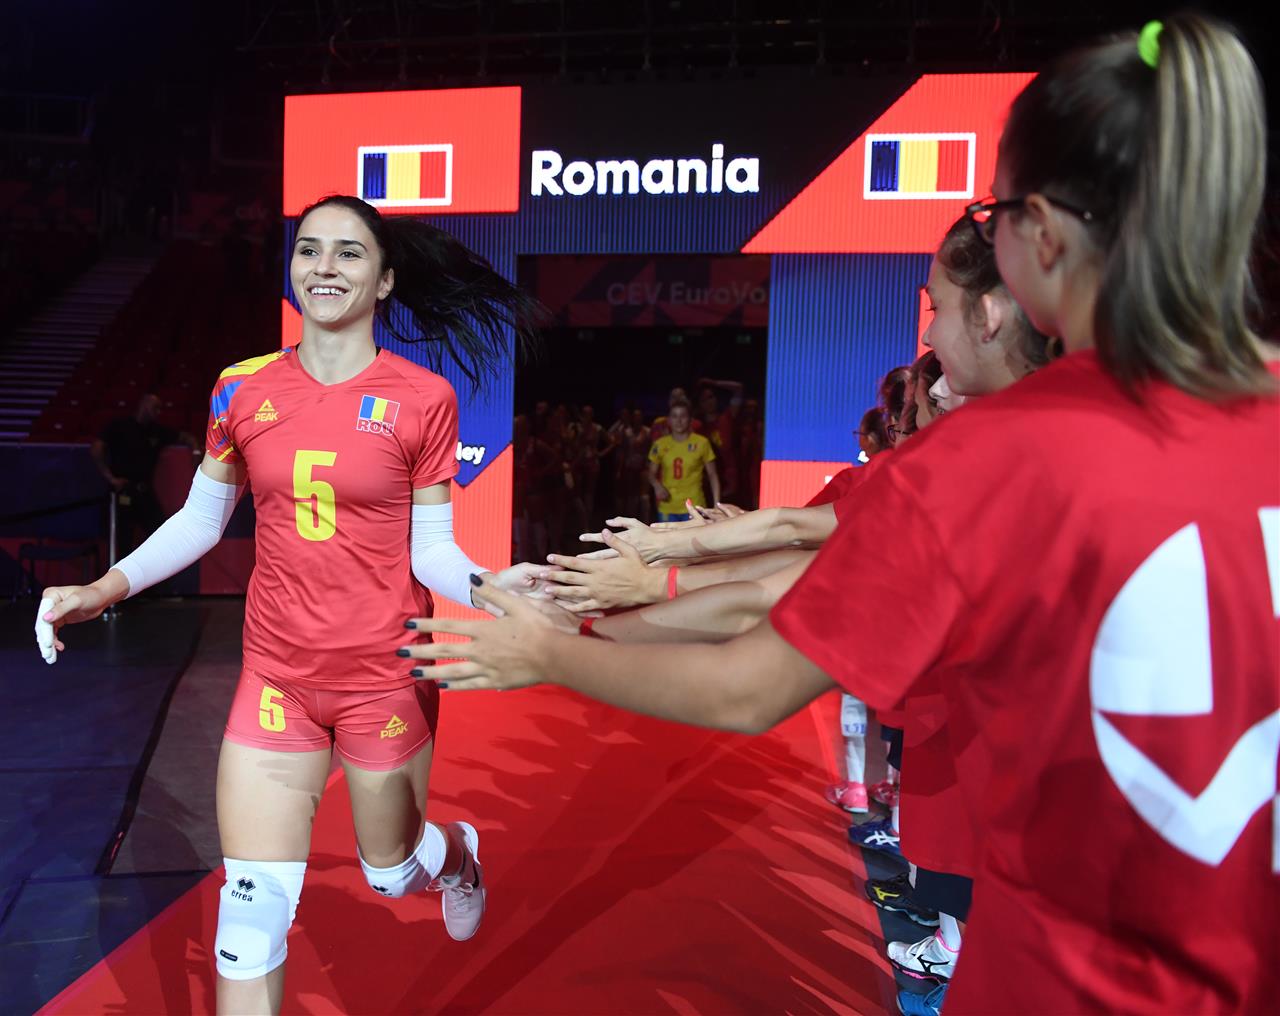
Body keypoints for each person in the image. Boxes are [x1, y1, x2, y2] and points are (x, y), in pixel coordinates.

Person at [402, 15, 1279, 1012]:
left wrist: (550, 652)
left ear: (1037, 235)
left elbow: (749, 685)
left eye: (992, 211)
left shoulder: (985, 461)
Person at [34, 194, 544, 1015]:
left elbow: (431, 552)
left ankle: (456, 857)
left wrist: (489, 586)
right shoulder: (240, 388)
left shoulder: (423, 398)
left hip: (385, 676)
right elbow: (202, 519)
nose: (324, 267)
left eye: (349, 252)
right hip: (276, 679)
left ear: (385, 281)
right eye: (309, 249)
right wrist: (103, 588)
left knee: (390, 871)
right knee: (249, 921)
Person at [92, 393, 200, 555]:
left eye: (159, 409)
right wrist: (110, 478)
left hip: (144, 490)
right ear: (143, 404)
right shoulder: (119, 426)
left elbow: (187, 437)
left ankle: (160, 570)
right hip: (123, 489)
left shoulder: (157, 431)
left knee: (161, 533)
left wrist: (196, 451)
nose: (158, 412)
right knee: (122, 541)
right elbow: (97, 448)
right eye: (155, 407)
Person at [647, 397, 719, 522]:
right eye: (674, 416)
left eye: (683, 416)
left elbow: (713, 475)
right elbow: (650, 473)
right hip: (668, 507)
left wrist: (717, 505)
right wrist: (657, 485)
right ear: (669, 420)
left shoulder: (702, 443)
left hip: (694, 506)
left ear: (690, 419)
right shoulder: (660, 444)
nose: (679, 421)